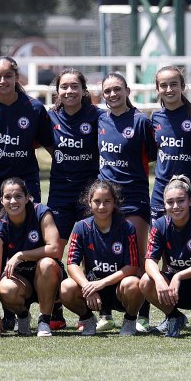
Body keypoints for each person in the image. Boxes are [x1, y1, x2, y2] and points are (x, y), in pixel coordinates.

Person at [98, 72, 157, 331]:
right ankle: (105, 313)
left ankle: (141, 315)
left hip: (134, 197)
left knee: (138, 255)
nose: (112, 94)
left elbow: (154, 155)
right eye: (108, 91)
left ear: (127, 91)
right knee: (104, 254)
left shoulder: (141, 122)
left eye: (117, 89)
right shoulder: (100, 120)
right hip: (105, 200)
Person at [45, 68, 101, 331]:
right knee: (55, 251)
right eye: (64, 87)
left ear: (83, 90)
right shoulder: (50, 117)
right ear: (58, 91)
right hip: (59, 193)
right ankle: (57, 305)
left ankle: (87, 310)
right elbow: (44, 143)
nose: (69, 91)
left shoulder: (96, 116)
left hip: (89, 195)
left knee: (89, 252)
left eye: (74, 86)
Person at [61, 180, 143, 336]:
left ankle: (130, 320)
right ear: (89, 203)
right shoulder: (81, 227)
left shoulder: (126, 227)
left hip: (118, 288)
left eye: (107, 201)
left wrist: (101, 283)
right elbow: (72, 263)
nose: (101, 206)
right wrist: (87, 286)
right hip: (92, 290)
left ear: (114, 203)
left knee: (134, 284)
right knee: (66, 287)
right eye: (97, 201)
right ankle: (87, 320)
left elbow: (132, 266)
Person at [0, 56, 53, 228]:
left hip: (26, 180)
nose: (3, 81)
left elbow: (49, 145)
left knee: (30, 231)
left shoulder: (34, 108)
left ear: (17, 77)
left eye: (8, 75)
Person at [141, 175, 191, 337]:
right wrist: (159, 279)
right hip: (174, 290)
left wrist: (179, 276)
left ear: (190, 201)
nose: (175, 206)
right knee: (146, 281)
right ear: (164, 204)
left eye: (181, 201)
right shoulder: (160, 225)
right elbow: (149, 261)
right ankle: (174, 316)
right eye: (170, 202)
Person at [0, 177, 63, 337]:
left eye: (18, 196)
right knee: (5, 288)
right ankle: (23, 316)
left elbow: (54, 248)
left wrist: (21, 255)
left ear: (27, 198)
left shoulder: (41, 212)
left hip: (48, 278)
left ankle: (44, 321)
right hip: (21, 283)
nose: (13, 201)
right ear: (1, 200)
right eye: (8, 197)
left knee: (46, 263)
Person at [150, 65, 191, 216]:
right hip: (162, 189)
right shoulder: (156, 117)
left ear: (182, 86)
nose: (169, 89)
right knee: (160, 238)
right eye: (163, 85)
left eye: (173, 84)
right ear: (157, 89)